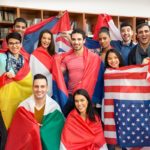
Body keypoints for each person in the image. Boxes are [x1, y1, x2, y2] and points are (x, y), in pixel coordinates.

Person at [5, 74, 64, 150]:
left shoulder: (54, 108)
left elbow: (56, 135)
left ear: (47, 88)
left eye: (42, 86)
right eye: (36, 86)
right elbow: (17, 134)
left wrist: (42, 130)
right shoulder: (23, 107)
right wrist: (33, 128)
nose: (39, 89)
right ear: (32, 88)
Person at [60, 28, 104, 117]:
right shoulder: (66, 57)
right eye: (74, 39)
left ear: (84, 41)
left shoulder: (94, 58)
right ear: (70, 40)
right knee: (67, 122)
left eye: (79, 39)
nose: (76, 42)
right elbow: (58, 73)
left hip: (87, 98)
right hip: (71, 97)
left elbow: (100, 77)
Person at [0, 32, 32, 147]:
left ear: (21, 44)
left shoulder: (25, 60)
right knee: (5, 134)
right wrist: (4, 77)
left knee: (19, 132)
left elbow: (28, 80)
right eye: (11, 43)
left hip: (21, 101)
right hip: (4, 102)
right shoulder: (1, 58)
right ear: (7, 45)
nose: (14, 46)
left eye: (17, 43)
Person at [30, 29, 55, 96]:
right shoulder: (35, 55)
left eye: (49, 39)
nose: (46, 41)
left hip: (51, 89)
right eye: (44, 38)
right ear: (40, 39)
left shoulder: (53, 55)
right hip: (39, 89)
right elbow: (33, 74)